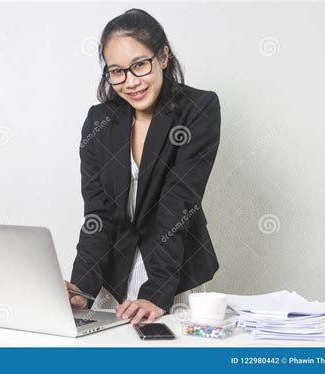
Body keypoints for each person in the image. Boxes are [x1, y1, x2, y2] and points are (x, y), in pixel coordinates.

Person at [66, 8, 222, 325]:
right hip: (113, 277)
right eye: (117, 71)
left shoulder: (199, 109)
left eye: (140, 65)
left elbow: (178, 204)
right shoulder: (99, 121)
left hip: (174, 277)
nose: (131, 82)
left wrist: (157, 291)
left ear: (163, 56)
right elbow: (98, 214)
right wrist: (82, 286)